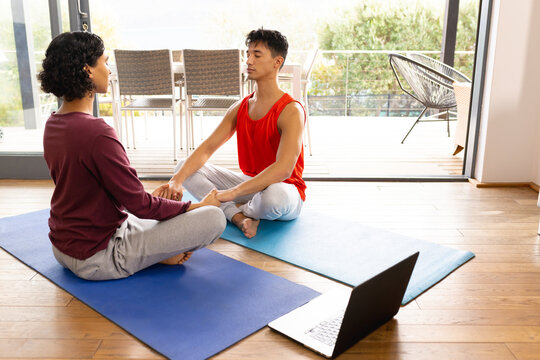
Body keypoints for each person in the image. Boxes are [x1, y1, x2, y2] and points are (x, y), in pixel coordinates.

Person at [39, 31, 226, 281]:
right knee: (213, 217)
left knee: (152, 217)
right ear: (88, 71)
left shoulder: (53, 124)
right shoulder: (97, 133)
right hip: (97, 257)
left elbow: (98, 193)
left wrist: (152, 202)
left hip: (62, 247)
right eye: (105, 62)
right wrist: (197, 207)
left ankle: (158, 252)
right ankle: (158, 256)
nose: (109, 70)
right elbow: (140, 206)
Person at [160, 28, 306, 239]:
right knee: (184, 167)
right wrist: (176, 180)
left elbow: (283, 169)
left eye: (257, 55)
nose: (248, 60)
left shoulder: (291, 110)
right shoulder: (240, 107)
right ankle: (239, 217)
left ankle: (239, 209)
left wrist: (233, 193)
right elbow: (207, 148)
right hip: (249, 183)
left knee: (273, 198)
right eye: (247, 54)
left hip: (284, 189)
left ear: (277, 62)